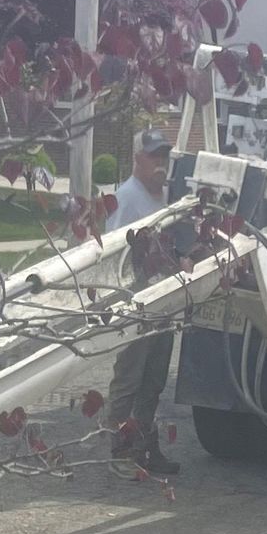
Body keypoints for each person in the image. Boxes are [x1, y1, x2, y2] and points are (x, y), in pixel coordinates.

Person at [104, 127, 177, 474]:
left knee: (154, 380)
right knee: (129, 379)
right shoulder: (126, 198)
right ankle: (119, 451)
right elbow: (114, 255)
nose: (160, 163)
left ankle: (146, 449)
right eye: (154, 156)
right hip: (137, 302)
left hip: (166, 301)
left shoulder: (167, 196)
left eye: (164, 156)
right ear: (138, 159)